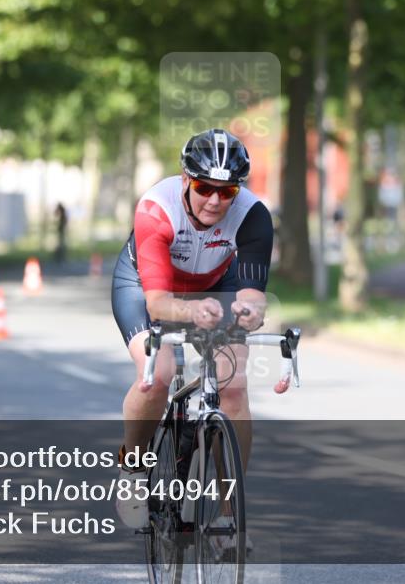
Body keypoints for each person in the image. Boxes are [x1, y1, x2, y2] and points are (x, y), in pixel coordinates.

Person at [111, 128, 279, 529]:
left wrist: (251, 313)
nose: (216, 201)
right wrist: (191, 312)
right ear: (186, 180)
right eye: (205, 188)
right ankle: (133, 471)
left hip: (215, 286)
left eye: (228, 191)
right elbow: (157, 303)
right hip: (144, 287)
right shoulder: (156, 209)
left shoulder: (254, 215)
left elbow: (253, 294)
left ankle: (226, 513)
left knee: (233, 386)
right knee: (159, 374)